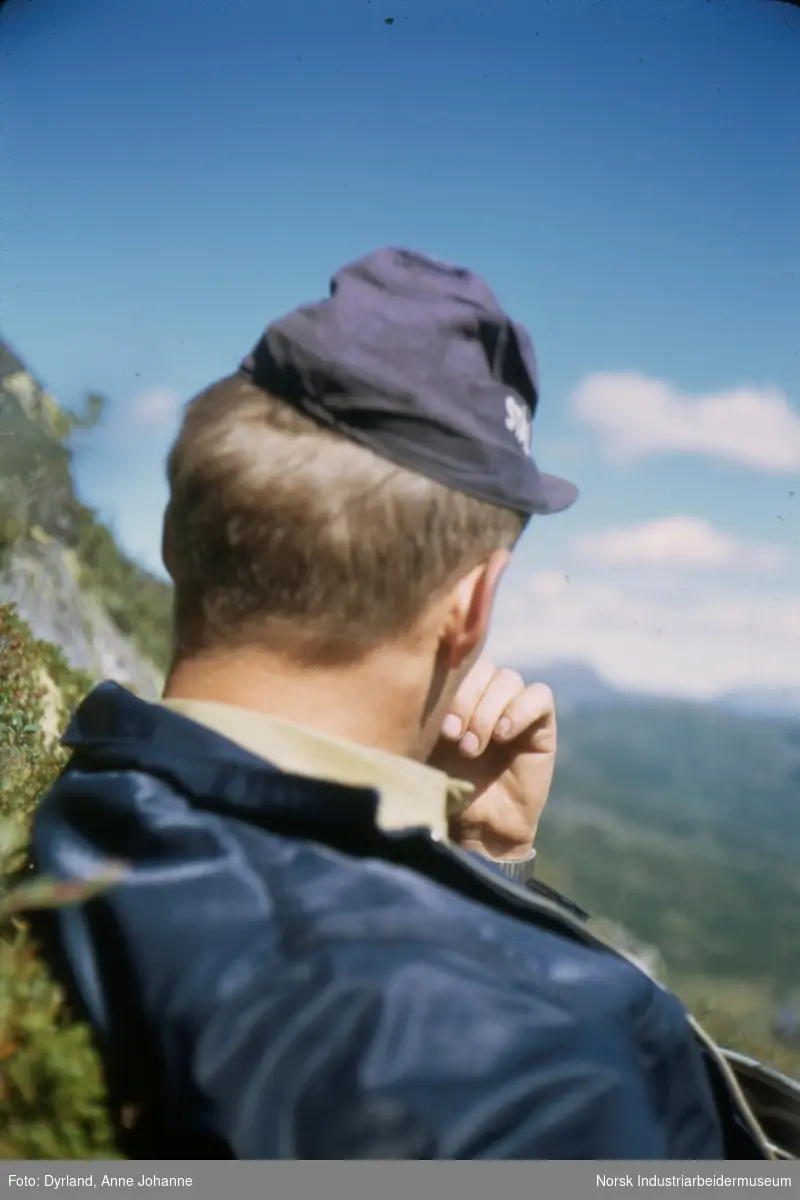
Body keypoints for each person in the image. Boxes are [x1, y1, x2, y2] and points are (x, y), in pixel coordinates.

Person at [31, 247, 770, 1159]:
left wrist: (485, 865)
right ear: (473, 606)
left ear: (175, 536)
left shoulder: (99, 786)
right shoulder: (526, 1072)